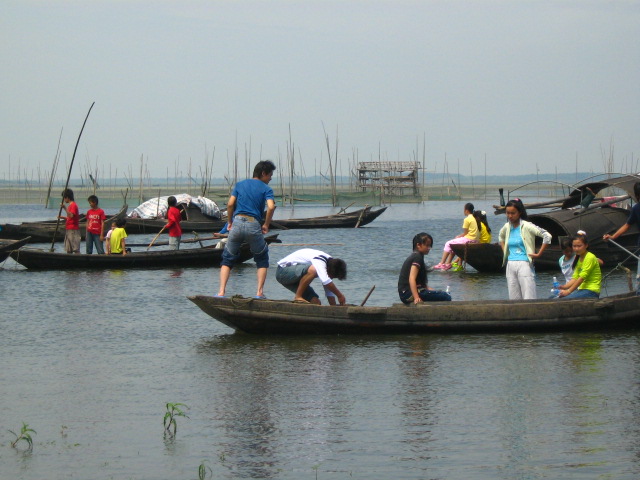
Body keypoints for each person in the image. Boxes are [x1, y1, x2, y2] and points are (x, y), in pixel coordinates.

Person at [217, 160, 277, 298]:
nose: (270, 178)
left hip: (237, 222)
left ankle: (221, 292)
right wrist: (266, 224)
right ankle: (259, 293)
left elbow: (230, 204)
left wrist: (230, 222)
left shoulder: (240, 184)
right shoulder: (266, 189)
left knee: (227, 259)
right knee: (262, 258)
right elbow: (271, 207)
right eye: (270, 175)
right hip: (253, 224)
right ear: (263, 173)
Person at [498, 198, 552, 300]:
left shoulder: (527, 226)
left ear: (519, 213)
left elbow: (547, 236)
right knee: (514, 298)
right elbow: (501, 237)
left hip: (524, 263)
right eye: (507, 213)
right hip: (510, 264)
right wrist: (505, 251)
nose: (510, 216)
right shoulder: (507, 226)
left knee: (529, 296)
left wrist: (539, 254)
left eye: (513, 213)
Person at [603, 181, 640, 295]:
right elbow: (627, 225)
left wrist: (613, 236)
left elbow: (627, 225)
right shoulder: (636, 209)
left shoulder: (636, 208)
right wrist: (613, 237)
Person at [276, 248, 347, 304]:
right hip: (282, 272)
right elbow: (326, 281)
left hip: (297, 279)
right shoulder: (320, 260)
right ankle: (298, 297)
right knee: (313, 270)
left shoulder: (330, 263)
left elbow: (328, 289)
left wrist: (333, 307)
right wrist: (340, 295)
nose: (331, 278)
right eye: (331, 276)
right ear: (328, 269)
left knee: (316, 302)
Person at [398, 232, 451, 304]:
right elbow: (412, 278)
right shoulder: (417, 257)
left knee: (440, 293)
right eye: (427, 245)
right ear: (418, 245)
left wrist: (432, 291)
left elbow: (421, 282)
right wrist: (416, 297)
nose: (429, 248)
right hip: (408, 294)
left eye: (430, 246)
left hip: (405, 294)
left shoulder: (417, 256)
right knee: (446, 296)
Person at [433, 202, 479, 270]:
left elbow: (465, 233)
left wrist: (458, 236)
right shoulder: (475, 218)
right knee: (454, 243)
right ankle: (448, 264)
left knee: (448, 243)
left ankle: (441, 263)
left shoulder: (467, 219)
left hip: (470, 239)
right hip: (476, 240)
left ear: (466, 210)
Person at [556, 231, 601, 299]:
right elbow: (575, 277)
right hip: (582, 290)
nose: (576, 249)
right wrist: (563, 287)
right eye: (574, 246)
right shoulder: (579, 258)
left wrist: (568, 291)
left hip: (591, 290)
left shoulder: (590, 257)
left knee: (564, 300)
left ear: (586, 245)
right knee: (553, 297)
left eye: (579, 246)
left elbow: (581, 278)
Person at [58, 188, 80, 254]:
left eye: (64, 198)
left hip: (73, 229)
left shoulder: (73, 205)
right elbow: (70, 217)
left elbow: (71, 216)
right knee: (68, 249)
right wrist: (63, 217)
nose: (64, 200)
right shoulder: (70, 206)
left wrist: (64, 208)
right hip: (69, 229)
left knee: (75, 249)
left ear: (67, 197)